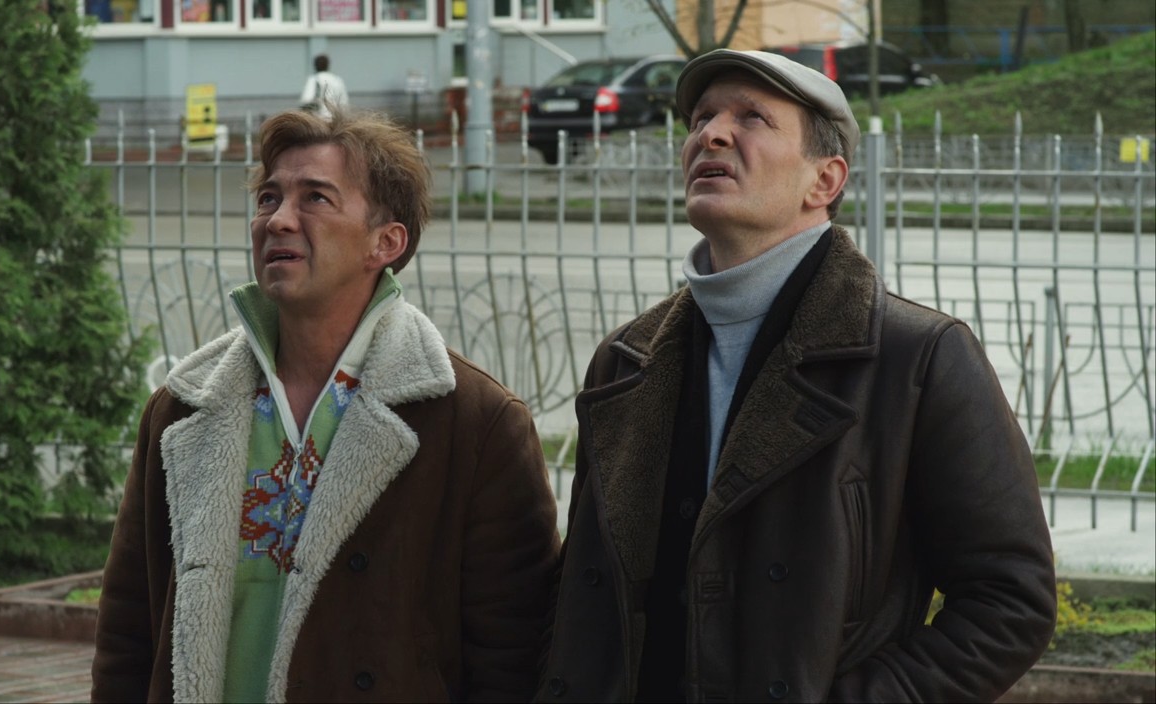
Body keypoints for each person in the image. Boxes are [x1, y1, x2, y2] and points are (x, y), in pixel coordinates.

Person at [538, 50, 1056, 702]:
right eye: (701, 118)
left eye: (751, 117)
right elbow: (584, 595)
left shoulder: (917, 358)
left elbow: (1011, 599)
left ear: (825, 180)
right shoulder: (625, 361)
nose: (711, 135)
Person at [91, 107, 560, 702]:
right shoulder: (183, 409)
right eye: (268, 198)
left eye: (315, 198)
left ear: (385, 243)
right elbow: (129, 633)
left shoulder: (474, 422)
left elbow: (513, 656)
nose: (278, 219)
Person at [299, 54, 349, 120]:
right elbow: (344, 103)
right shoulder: (337, 80)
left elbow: (306, 100)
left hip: (318, 120)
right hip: (335, 120)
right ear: (328, 65)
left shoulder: (313, 80)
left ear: (315, 65)